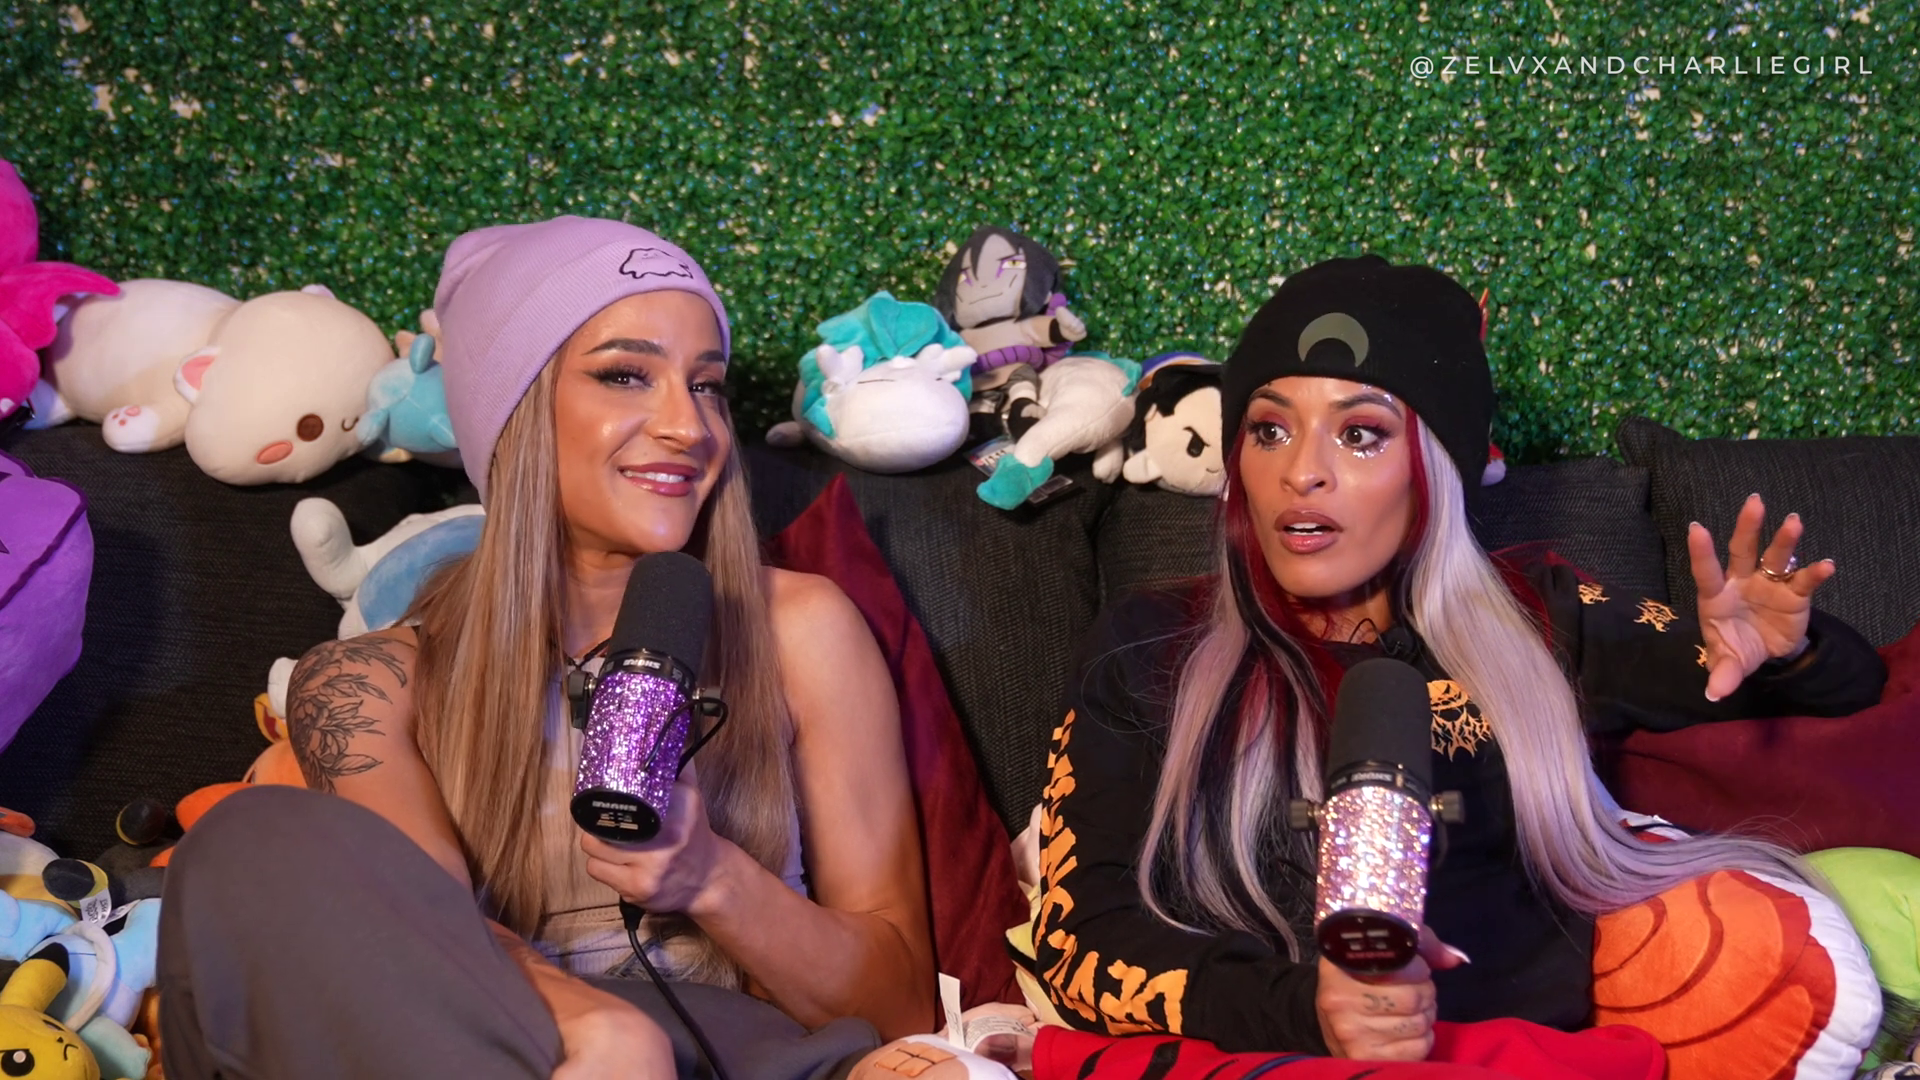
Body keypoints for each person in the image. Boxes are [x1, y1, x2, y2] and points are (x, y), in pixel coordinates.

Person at [1028, 255, 1887, 1061]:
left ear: (1435, 466)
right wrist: (1308, 1012)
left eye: (1360, 434)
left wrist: (1782, 651)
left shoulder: (1538, 617)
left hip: (1529, 1064)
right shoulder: (1154, 644)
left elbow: (1855, 698)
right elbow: (1077, 942)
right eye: (1270, 429)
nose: (1302, 473)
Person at [158, 217, 937, 1079]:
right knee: (248, 838)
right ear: (514, 413)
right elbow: (426, 948)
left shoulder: (800, 628)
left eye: (707, 385)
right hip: (505, 1057)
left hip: (757, 1062)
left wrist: (712, 878)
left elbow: (903, 1008)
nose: (689, 425)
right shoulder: (370, 682)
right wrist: (601, 1032)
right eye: (626, 375)